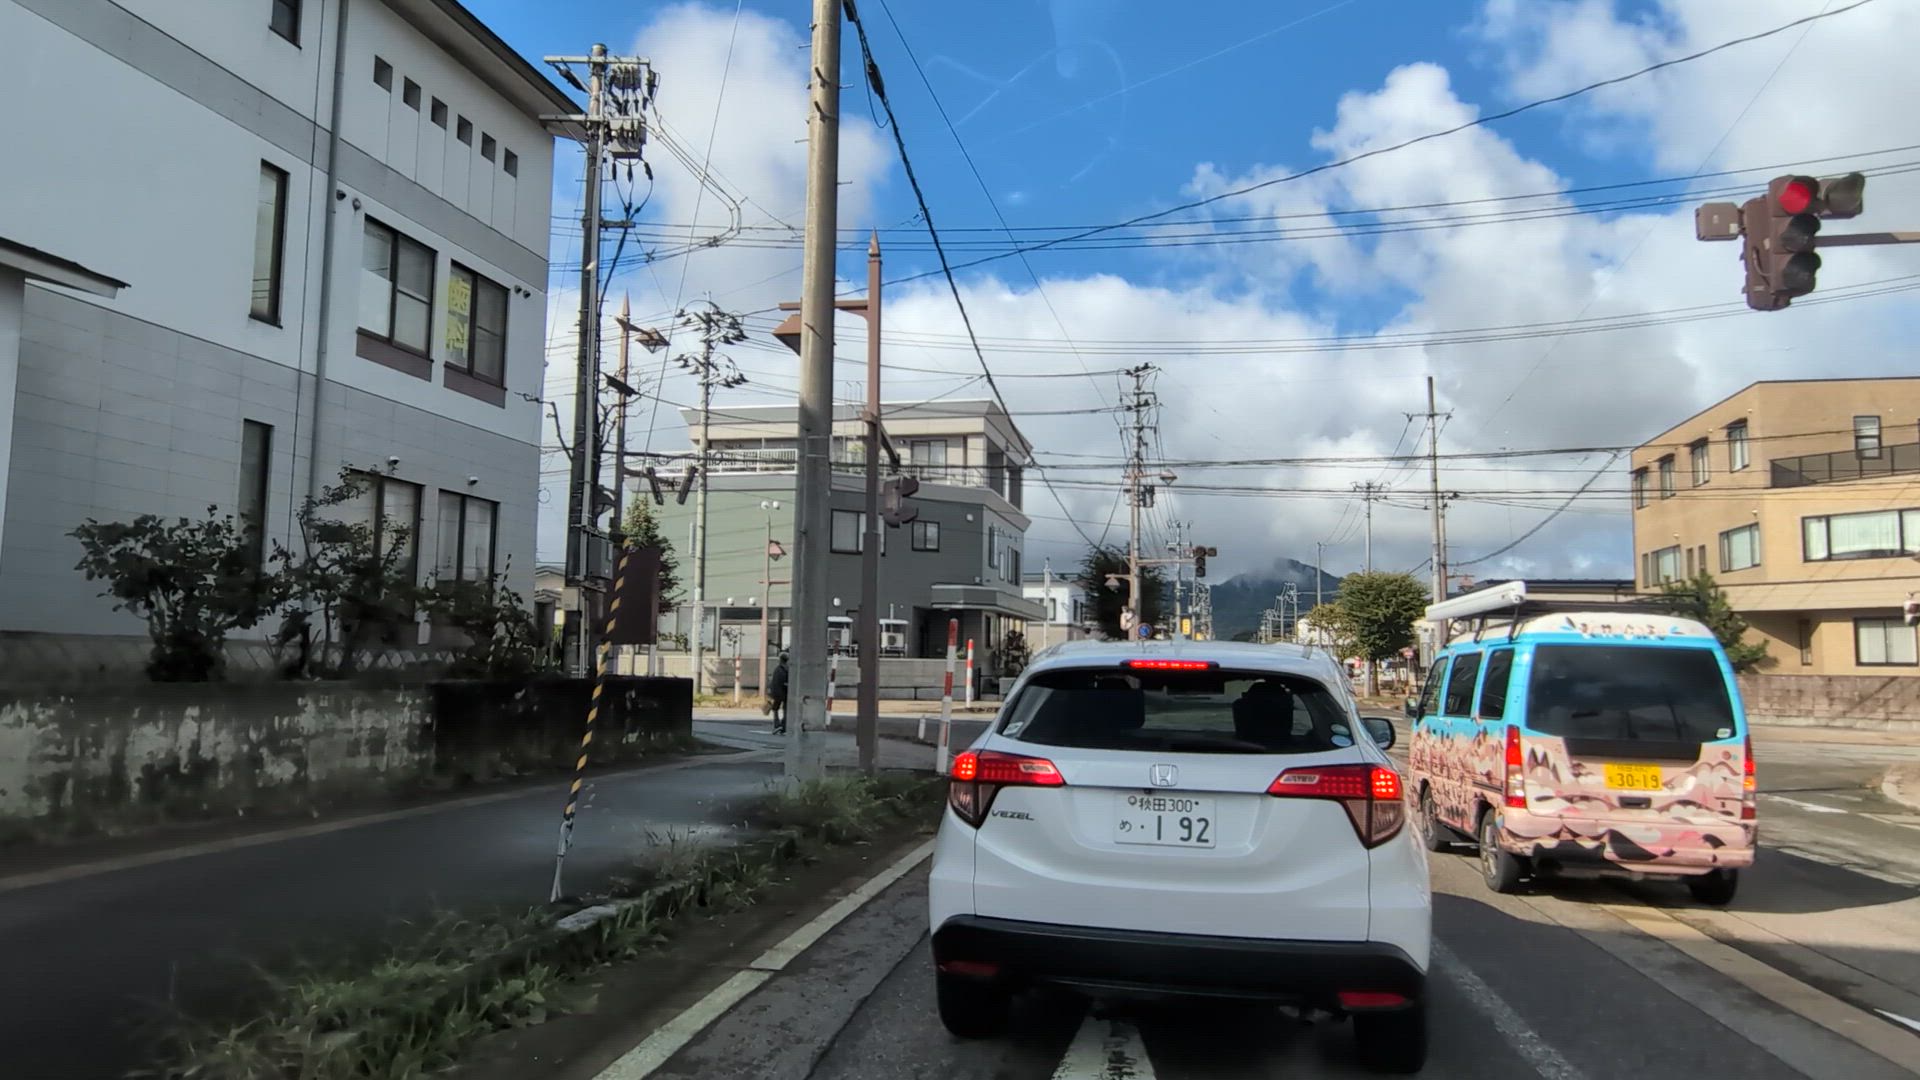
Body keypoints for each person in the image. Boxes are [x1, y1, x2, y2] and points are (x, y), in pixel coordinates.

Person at [767, 652, 791, 734]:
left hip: (776, 693)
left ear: (780, 659)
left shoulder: (778, 669)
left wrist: (770, 692)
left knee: (775, 709)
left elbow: (773, 682)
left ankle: (777, 724)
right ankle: (784, 725)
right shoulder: (788, 669)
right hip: (785, 692)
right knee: (786, 709)